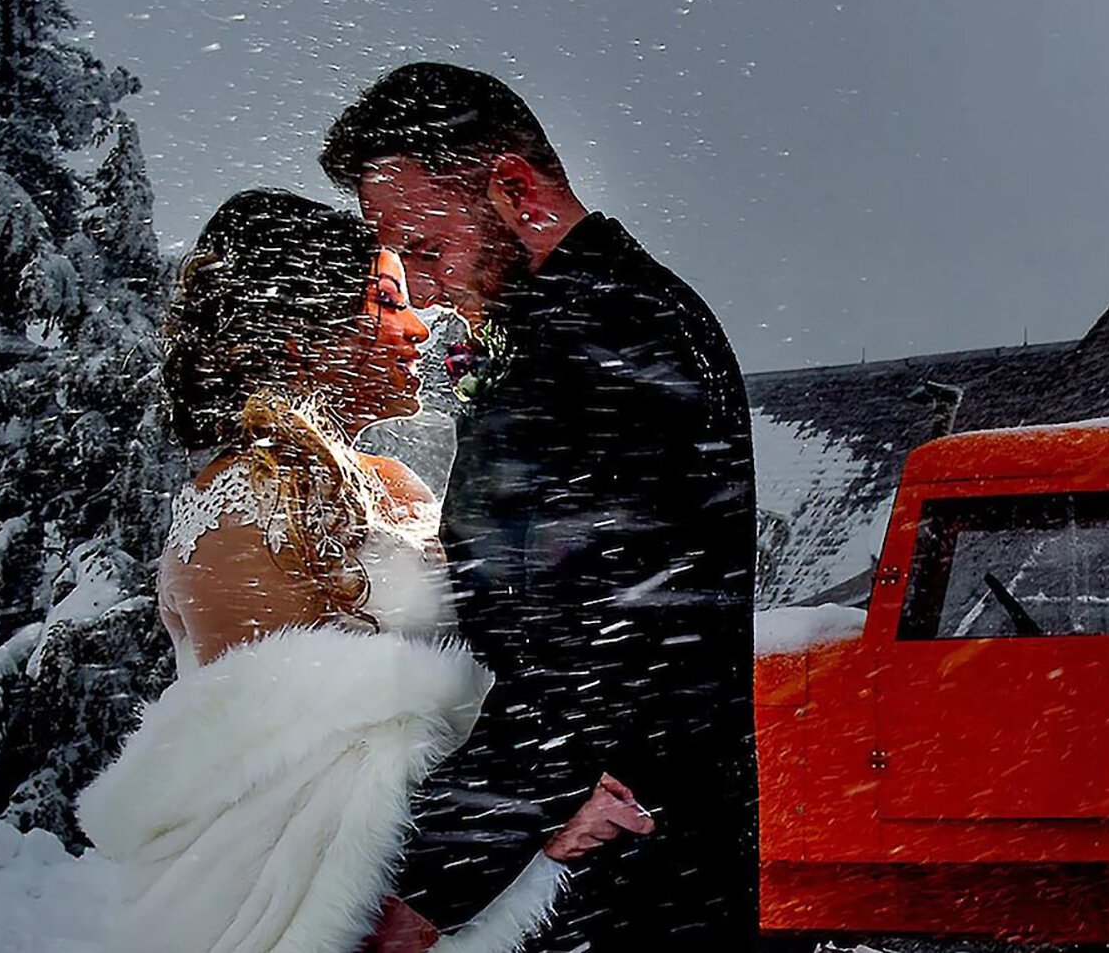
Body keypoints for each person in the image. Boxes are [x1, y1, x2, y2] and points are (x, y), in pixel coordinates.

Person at [77, 189, 654, 953]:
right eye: (385, 299)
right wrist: (535, 817)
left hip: (446, 885)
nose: (418, 324)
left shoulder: (388, 480)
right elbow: (305, 780)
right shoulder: (239, 508)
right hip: (291, 912)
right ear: (299, 328)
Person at [320, 63, 758, 952]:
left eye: (428, 249)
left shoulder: (602, 340)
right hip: (633, 857)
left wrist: (429, 883)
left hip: (608, 886)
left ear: (514, 187)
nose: (424, 288)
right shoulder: (612, 315)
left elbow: (588, 654)